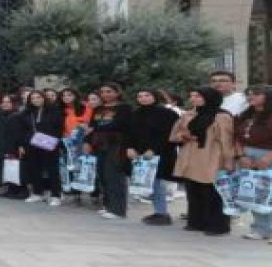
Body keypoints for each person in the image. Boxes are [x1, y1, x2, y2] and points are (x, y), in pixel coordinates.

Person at [171, 87, 236, 236]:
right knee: (193, 190)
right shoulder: (190, 114)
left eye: (198, 96)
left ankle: (217, 225)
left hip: (212, 155)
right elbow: (176, 133)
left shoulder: (221, 116)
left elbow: (226, 140)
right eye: (192, 96)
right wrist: (184, 136)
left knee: (212, 191)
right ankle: (196, 221)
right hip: (191, 155)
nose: (193, 99)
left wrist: (228, 160)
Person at [126, 89, 179, 226]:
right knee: (149, 183)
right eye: (140, 96)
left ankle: (162, 213)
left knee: (156, 183)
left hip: (160, 153)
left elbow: (168, 134)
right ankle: (159, 212)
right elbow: (129, 132)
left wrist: (154, 149)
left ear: (155, 97)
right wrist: (130, 147)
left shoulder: (167, 113)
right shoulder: (135, 113)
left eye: (147, 95)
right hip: (140, 154)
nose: (143, 98)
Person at [85, 83, 132, 219]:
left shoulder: (124, 108)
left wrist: (97, 129)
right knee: (103, 175)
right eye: (103, 92)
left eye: (109, 91)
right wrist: (87, 141)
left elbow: (120, 124)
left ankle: (118, 210)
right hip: (99, 144)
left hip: (117, 145)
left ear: (117, 93)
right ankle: (108, 205)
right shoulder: (98, 108)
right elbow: (91, 126)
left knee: (115, 176)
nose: (105, 94)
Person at [235, 86, 272, 242]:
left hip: (267, 155)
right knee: (255, 194)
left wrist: (269, 157)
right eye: (249, 95)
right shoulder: (246, 115)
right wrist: (241, 155)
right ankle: (261, 228)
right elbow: (235, 137)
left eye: (256, 94)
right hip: (247, 155)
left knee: (268, 194)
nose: (251, 97)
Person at [20, 90, 64, 206]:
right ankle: (37, 193)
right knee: (34, 169)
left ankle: (56, 195)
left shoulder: (54, 111)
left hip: (49, 143)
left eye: (38, 97)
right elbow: (23, 130)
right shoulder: (27, 113)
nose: (36, 100)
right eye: (33, 98)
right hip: (32, 143)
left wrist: (55, 141)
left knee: (52, 170)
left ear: (44, 98)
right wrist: (23, 144)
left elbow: (58, 128)